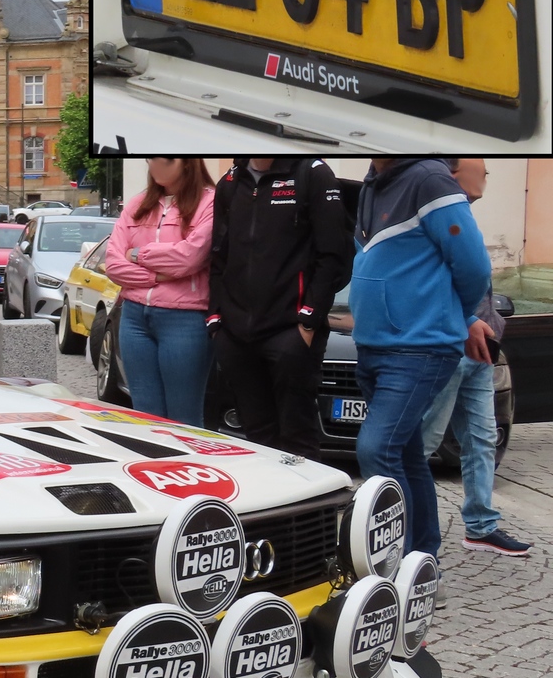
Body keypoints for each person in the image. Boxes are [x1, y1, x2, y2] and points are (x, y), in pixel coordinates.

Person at [352, 158, 492, 558]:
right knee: (406, 454)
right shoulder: (373, 183)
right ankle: (424, 563)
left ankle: (398, 563)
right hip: (374, 344)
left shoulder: (429, 179)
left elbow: (474, 266)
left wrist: (456, 318)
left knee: (376, 449)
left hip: (418, 348)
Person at [419, 158, 531, 556]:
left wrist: (490, 323)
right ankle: (403, 527)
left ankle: (481, 526)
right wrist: (467, 319)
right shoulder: (436, 219)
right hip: (449, 346)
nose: (486, 173)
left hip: (480, 352)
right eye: (478, 166)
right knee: (423, 443)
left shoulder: (464, 218)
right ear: (451, 173)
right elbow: (431, 281)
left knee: (482, 439)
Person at [207, 157, 353, 459]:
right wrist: (215, 318)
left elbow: (333, 255)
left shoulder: (312, 174)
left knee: (297, 436)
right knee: (256, 439)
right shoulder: (231, 182)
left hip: (291, 332)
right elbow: (219, 256)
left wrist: (309, 320)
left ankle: (309, 506)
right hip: (235, 335)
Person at [103, 158, 216, 426]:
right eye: (150, 159)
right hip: (133, 317)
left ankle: (186, 466)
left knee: (183, 417)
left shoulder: (211, 202)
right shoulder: (137, 204)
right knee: (144, 416)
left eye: (164, 159)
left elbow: (188, 258)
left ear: (188, 163)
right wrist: (157, 275)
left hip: (185, 319)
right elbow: (113, 265)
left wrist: (137, 254)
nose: (154, 165)